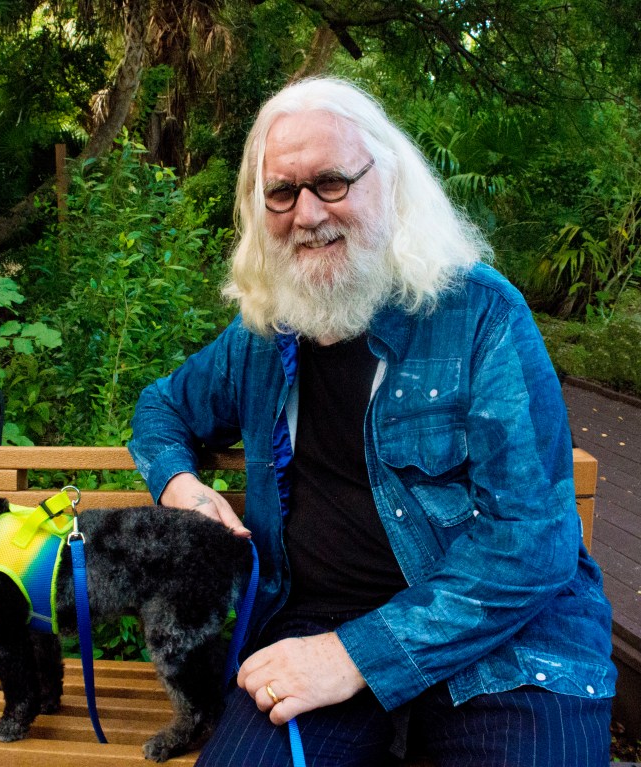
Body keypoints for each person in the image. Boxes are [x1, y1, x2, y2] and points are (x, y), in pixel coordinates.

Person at [128, 77, 616, 766]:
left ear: (388, 184)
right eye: (282, 192)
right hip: (314, 632)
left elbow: (531, 541)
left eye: (331, 182)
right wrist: (179, 484)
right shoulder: (263, 335)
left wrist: (358, 655)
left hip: (504, 640)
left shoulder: (480, 315)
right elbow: (161, 407)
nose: (306, 213)